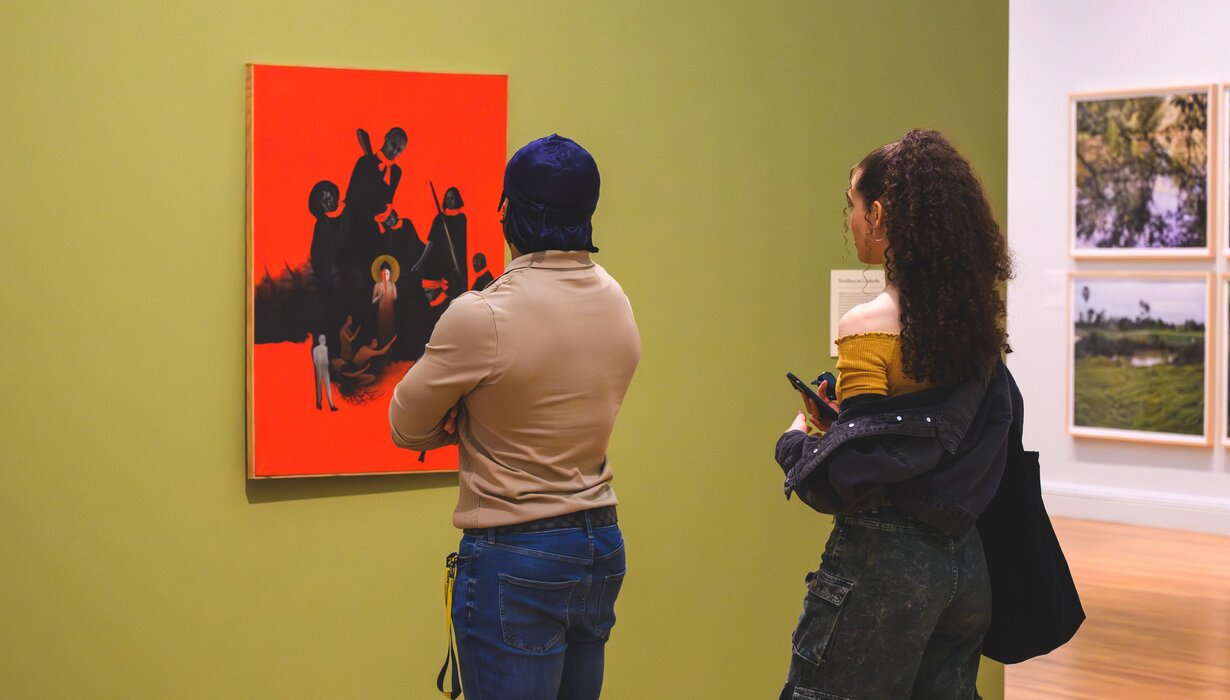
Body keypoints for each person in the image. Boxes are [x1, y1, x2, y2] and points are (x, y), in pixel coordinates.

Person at [389, 134, 640, 700]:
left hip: (517, 551)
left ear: (508, 211)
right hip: (600, 542)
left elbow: (405, 425)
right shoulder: (616, 300)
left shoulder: (484, 314)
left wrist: (458, 417)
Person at [774, 129, 1014, 699]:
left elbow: (861, 470)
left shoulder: (866, 325)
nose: (850, 220)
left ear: (878, 215)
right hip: (963, 563)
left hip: (883, 564)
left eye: (851, 206)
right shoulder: (975, 328)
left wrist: (797, 442)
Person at [310, 334, 338, 412]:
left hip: (321, 367)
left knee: (320, 386)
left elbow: (316, 360)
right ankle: (328, 405)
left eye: (324, 338)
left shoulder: (317, 349)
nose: (324, 340)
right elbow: (324, 360)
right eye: (323, 339)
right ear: (320, 340)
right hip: (322, 367)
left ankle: (322, 404)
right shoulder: (322, 348)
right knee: (323, 386)